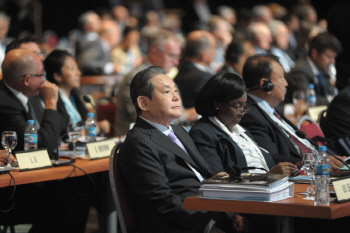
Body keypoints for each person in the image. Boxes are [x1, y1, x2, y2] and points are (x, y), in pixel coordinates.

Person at [118, 66, 249, 233]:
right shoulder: (139, 142)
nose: (176, 97)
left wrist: (231, 213)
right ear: (144, 103)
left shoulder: (179, 131)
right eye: (166, 92)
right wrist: (208, 227)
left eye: (175, 91)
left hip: (209, 212)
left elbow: (207, 176)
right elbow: (161, 201)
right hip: (180, 225)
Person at [239, 54, 345, 171]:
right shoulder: (250, 114)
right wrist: (315, 162)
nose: (286, 83)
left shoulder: (269, 109)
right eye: (281, 77)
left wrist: (323, 159)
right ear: (265, 84)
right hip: (302, 176)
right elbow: (270, 158)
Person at [189, 72, 296, 176]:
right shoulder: (203, 133)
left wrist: (294, 166)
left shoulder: (241, 131)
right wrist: (268, 177)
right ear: (218, 104)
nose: (242, 112)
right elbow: (217, 179)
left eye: (244, 106)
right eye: (237, 105)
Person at [115, 29, 197, 135]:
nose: (176, 62)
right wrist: (188, 114)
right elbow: (146, 120)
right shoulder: (136, 79)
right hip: (142, 142)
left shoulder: (164, 77)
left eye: (178, 57)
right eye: (172, 56)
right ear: (154, 52)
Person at [0, 49, 66, 155]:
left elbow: (64, 129)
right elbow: (41, 147)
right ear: (27, 80)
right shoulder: (6, 105)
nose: (43, 79)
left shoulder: (25, 92)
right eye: (40, 74)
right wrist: (51, 102)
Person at [287, 32, 342, 106]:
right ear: (315, 53)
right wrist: (332, 99)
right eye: (329, 57)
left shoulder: (323, 69)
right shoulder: (300, 71)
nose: (333, 61)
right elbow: (307, 101)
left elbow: (330, 92)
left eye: (334, 57)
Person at [174, 30, 216, 109]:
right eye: (213, 48)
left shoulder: (178, 70)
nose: (215, 52)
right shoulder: (205, 77)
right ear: (203, 55)